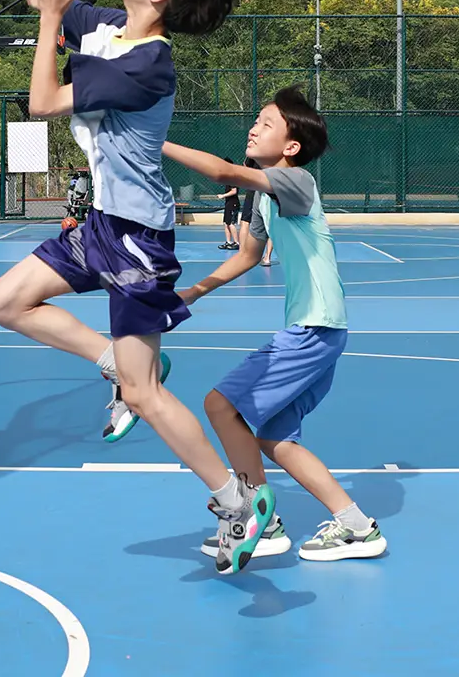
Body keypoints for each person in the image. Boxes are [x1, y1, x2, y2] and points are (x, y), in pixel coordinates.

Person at [0, 0, 273, 574]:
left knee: (144, 394)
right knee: (4, 302)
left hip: (137, 238)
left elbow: (43, 102)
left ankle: (238, 500)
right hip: (102, 224)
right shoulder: (110, 29)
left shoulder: (148, 66)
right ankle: (115, 362)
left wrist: (50, 21)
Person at [162, 87, 389, 564]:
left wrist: (151, 141)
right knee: (274, 439)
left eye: (266, 124)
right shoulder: (264, 196)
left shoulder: (296, 181)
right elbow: (248, 255)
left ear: (291, 146)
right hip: (321, 330)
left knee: (220, 404)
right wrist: (193, 292)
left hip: (314, 328)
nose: (253, 128)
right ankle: (357, 528)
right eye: (256, 120)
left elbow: (223, 172)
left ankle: (254, 517)